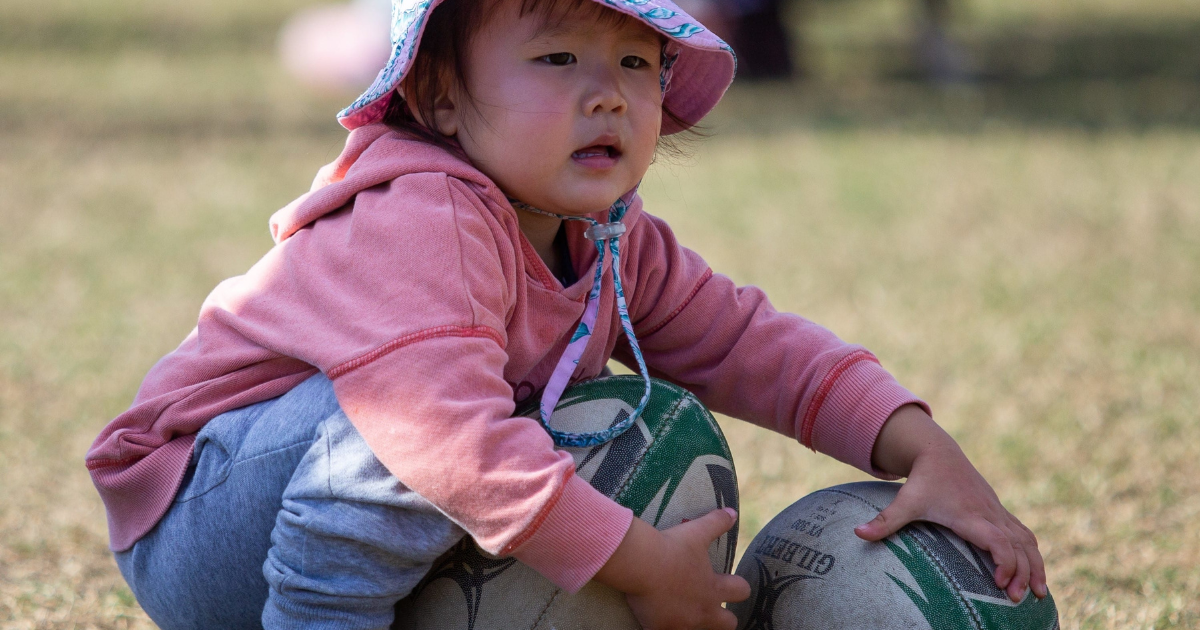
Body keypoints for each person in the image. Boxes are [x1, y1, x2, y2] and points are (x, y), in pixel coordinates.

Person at [86, 0, 1044, 628]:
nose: (606, 93)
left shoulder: (609, 233)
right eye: (557, 56)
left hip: (327, 502)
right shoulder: (424, 213)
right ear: (441, 98)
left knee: (509, 438)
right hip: (207, 523)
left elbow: (748, 341)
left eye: (636, 60)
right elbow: (443, 442)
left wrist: (919, 445)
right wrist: (639, 565)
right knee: (414, 427)